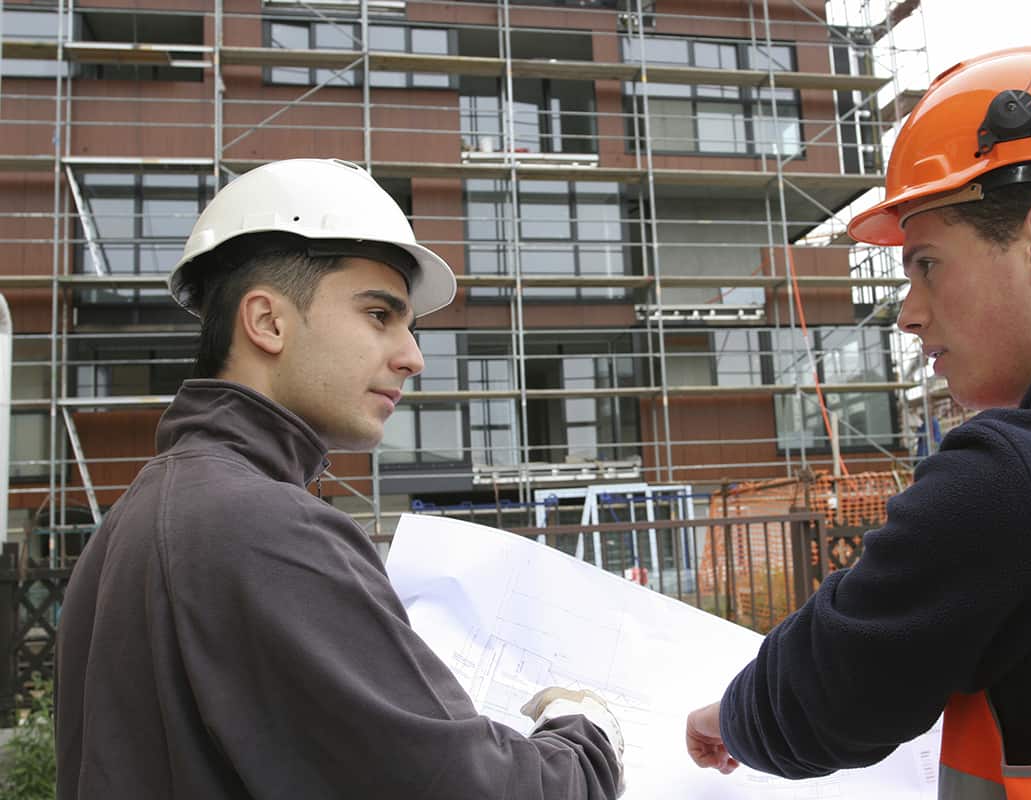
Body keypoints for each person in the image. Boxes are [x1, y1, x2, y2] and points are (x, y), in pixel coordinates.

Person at [686, 17, 1031, 798]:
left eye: (926, 265)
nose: (908, 313)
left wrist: (731, 714)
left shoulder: (1021, 480)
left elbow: (827, 696)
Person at [55, 158, 624, 799]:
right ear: (267, 321)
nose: (411, 356)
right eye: (379, 315)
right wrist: (584, 734)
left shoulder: (138, 519)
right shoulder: (264, 529)